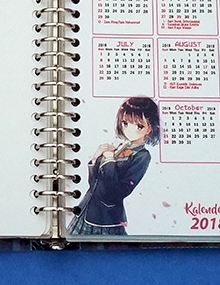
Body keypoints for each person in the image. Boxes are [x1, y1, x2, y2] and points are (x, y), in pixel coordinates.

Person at [68, 96, 160, 236]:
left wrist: (110, 160)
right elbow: (94, 183)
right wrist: (96, 157)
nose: (129, 130)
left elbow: (118, 192)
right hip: (86, 209)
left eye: (139, 126)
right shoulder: (119, 146)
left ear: (149, 128)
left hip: (106, 219)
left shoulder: (142, 156)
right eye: (125, 123)